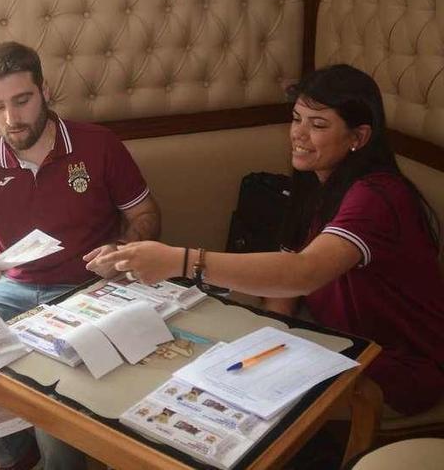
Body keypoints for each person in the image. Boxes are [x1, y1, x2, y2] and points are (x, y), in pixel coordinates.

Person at [98, 64, 444, 416]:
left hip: (395, 365)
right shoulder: (315, 181)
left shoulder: (377, 195)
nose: (299, 134)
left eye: (318, 125)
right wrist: (265, 344)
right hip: (334, 343)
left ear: (358, 137)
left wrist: (182, 261)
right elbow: (286, 292)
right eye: (297, 119)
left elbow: (302, 272)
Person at [0, 41, 161, 470]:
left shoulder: (98, 145)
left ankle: (50, 449)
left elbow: (145, 214)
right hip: (13, 289)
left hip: (88, 289)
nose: (11, 119)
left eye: (22, 101)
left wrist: (123, 249)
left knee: (56, 406)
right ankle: (15, 451)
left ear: (44, 92)